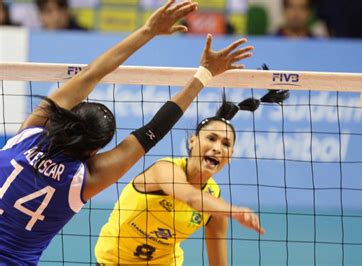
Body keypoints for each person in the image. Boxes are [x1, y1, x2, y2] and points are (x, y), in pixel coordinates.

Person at [0, 0, 256, 264]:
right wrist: (204, 74)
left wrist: (148, 30)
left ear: (66, 116)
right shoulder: (83, 179)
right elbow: (152, 131)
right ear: (95, 151)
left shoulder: (29, 134)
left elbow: (93, 72)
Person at [95, 89, 289, 265]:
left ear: (229, 157)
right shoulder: (164, 170)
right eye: (211, 138)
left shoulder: (215, 205)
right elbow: (190, 197)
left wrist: (227, 211)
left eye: (226, 144)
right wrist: (235, 211)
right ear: (192, 141)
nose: (217, 148)